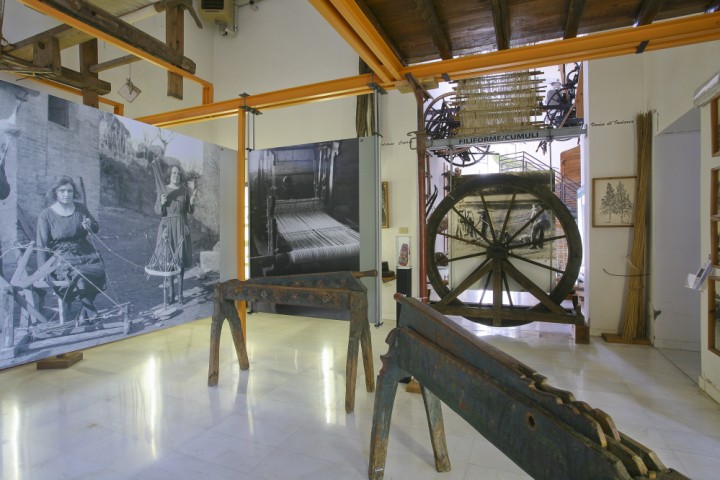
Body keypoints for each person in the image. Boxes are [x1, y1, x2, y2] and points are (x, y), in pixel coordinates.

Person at [36, 176, 106, 322]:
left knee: (98, 268)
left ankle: (83, 313)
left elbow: (96, 227)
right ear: (55, 192)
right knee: (78, 274)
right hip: (61, 257)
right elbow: (42, 244)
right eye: (62, 191)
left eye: (69, 191)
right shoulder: (46, 215)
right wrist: (41, 270)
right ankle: (92, 313)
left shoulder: (80, 208)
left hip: (85, 251)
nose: (66, 194)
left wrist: (89, 225)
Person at [154, 165, 196, 303]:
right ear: (169, 174)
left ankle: (180, 293)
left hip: (181, 226)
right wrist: (162, 202)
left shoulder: (184, 190)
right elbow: (157, 211)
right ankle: (171, 292)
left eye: (178, 173)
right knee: (169, 260)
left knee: (180, 260)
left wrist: (192, 202)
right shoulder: (163, 189)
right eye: (173, 173)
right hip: (167, 226)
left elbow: (189, 211)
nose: (176, 175)